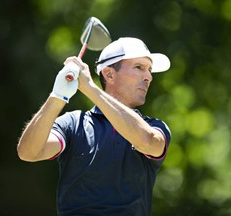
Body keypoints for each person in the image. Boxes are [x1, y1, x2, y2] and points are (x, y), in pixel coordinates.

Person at [17, 37, 172, 216]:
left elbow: (147, 141)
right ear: (109, 74)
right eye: (139, 67)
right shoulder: (74, 124)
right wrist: (57, 96)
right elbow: (29, 152)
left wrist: (89, 88)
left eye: (150, 70)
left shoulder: (153, 127)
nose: (149, 77)